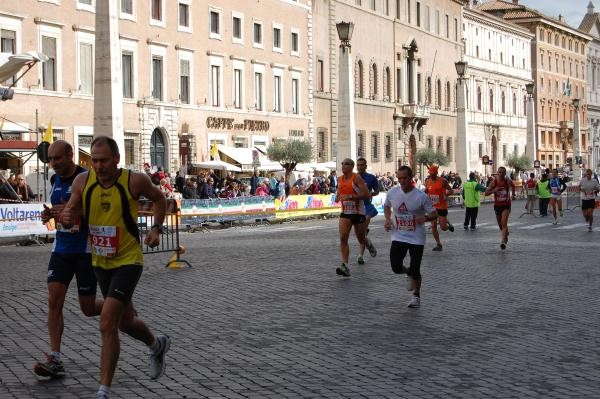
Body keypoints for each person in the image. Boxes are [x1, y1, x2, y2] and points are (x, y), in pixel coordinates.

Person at [60, 136, 170, 399]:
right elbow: (71, 214)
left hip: (128, 261)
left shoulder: (134, 180)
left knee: (107, 321)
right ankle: (156, 344)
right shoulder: (82, 181)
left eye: (103, 160)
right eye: (94, 161)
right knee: (125, 322)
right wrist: (65, 217)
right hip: (100, 261)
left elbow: (159, 199)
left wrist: (156, 229)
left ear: (116, 159)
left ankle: (103, 390)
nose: (98, 166)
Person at [33, 140, 104, 379]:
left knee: (88, 308)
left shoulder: (87, 178)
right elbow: (60, 213)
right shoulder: (54, 181)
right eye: (50, 159)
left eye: (57, 158)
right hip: (61, 249)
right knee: (54, 300)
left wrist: (69, 212)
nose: (53, 164)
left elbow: (96, 211)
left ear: (70, 155)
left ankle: (117, 307)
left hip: (85, 250)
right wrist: (50, 214)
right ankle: (55, 357)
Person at [384, 165, 437, 309]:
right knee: (395, 267)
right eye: (399, 178)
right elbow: (387, 206)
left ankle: (416, 295)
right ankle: (408, 273)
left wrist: (425, 218)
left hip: (416, 238)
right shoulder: (392, 193)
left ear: (411, 177)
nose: (402, 181)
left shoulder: (421, 196)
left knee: (416, 267)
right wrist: (388, 220)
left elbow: (434, 213)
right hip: (398, 235)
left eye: (404, 178)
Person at [335, 158, 369, 277]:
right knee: (343, 238)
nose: (344, 166)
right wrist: (337, 196)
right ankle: (345, 265)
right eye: (342, 163)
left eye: (347, 164)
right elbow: (339, 191)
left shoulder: (356, 178)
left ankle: (366, 241)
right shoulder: (339, 179)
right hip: (345, 212)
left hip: (358, 212)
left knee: (360, 238)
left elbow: (367, 194)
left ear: (352, 166)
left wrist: (350, 196)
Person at [424, 164, 454, 251]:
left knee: (443, 228)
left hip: (442, 206)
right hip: (432, 207)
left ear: (436, 173)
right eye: (430, 173)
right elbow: (425, 192)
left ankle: (448, 225)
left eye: (433, 173)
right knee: (433, 226)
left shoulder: (443, 181)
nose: (431, 175)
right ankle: (438, 244)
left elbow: (451, 190)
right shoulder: (427, 181)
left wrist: (445, 195)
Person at [484, 166, 516, 250]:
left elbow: (513, 186)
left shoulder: (507, 180)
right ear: (498, 173)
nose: (501, 174)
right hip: (497, 206)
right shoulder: (494, 182)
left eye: (503, 172)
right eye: (500, 172)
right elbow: (486, 193)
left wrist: (513, 194)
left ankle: (503, 242)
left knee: (504, 223)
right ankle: (505, 235)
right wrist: (494, 191)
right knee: (500, 225)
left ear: (505, 173)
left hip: (506, 205)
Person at [355, 157, 379, 264]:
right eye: (358, 165)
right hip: (356, 208)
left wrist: (371, 194)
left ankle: (360, 255)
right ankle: (367, 242)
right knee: (360, 233)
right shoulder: (353, 177)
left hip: (367, 207)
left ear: (365, 166)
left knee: (362, 232)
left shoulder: (371, 178)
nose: (360, 166)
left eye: (362, 165)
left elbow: (377, 191)